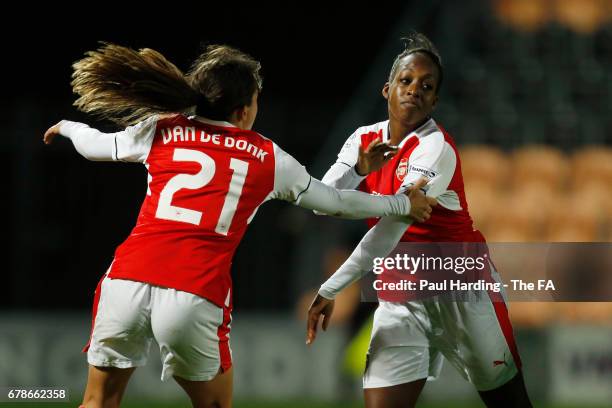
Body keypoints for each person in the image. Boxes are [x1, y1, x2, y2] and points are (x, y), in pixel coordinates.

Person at [43, 43, 436, 408]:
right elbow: (333, 202)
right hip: (192, 291)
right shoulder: (265, 157)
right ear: (243, 110)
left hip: (125, 281)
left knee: (97, 402)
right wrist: (402, 203)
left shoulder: (161, 129)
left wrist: (66, 126)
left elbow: (99, 145)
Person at [306, 32, 533, 407]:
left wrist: (330, 288)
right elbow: (322, 202)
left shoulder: (435, 148)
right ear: (386, 89)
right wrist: (360, 168)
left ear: (435, 101)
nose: (415, 90)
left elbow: (388, 232)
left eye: (427, 86)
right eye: (406, 81)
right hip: (401, 296)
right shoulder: (363, 139)